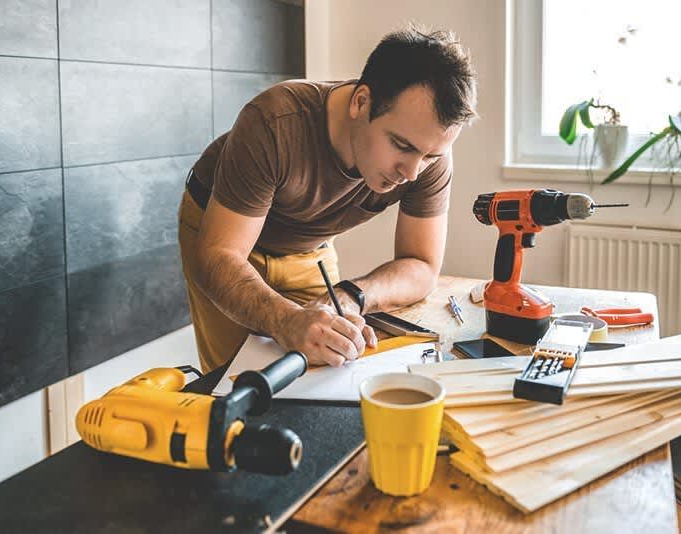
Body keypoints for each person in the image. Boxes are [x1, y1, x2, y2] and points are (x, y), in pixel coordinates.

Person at [178, 25, 477, 372]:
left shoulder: (427, 158)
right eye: (402, 146)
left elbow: (422, 266)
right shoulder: (274, 122)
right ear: (361, 102)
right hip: (221, 237)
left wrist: (353, 295)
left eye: (429, 156)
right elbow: (219, 256)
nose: (411, 173)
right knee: (239, 382)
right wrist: (286, 320)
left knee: (328, 361)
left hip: (309, 246)